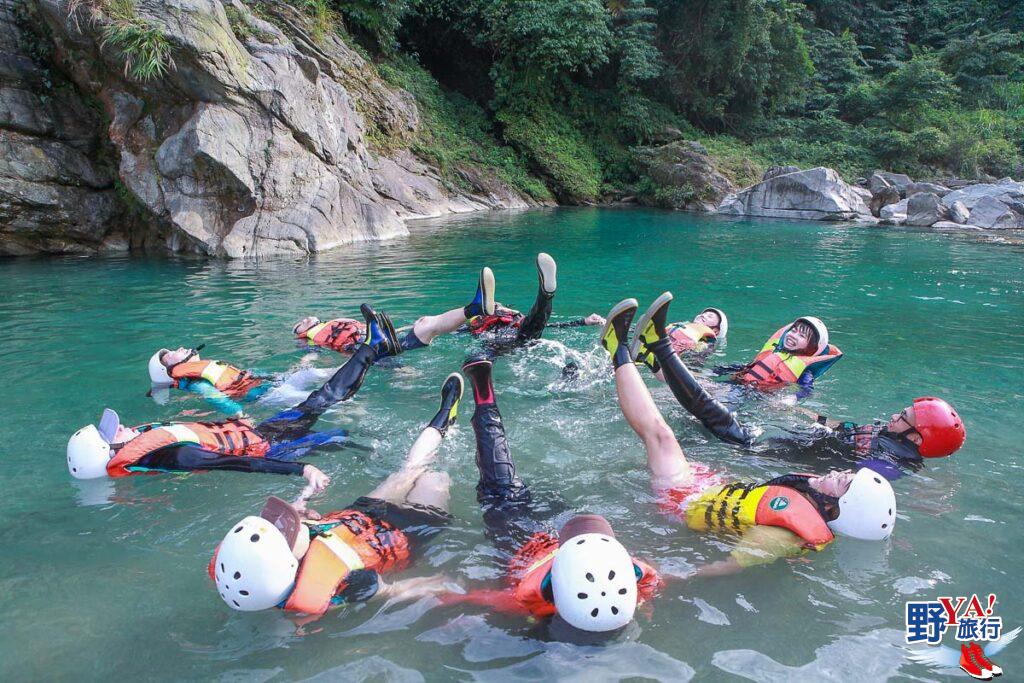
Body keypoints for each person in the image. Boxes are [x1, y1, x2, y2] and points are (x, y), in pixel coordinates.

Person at [600, 296, 897, 577]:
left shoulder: (781, 537)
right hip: (708, 485)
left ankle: (620, 349)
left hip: (682, 500)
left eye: (842, 480)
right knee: (664, 428)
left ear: (841, 508)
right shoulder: (810, 502)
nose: (833, 473)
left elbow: (726, 566)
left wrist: (665, 576)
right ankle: (641, 351)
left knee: (659, 433)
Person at [210, 372, 463, 618]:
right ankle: (443, 429)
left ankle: (444, 418)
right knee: (436, 477)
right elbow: (395, 589)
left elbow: (309, 531)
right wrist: (438, 584)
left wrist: (303, 509)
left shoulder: (277, 556)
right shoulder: (343, 585)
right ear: (289, 565)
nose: (292, 523)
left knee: (408, 471)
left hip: (360, 514)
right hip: (406, 533)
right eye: (288, 531)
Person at [66, 306, 403, 490]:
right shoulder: (177, 456)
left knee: (319, 399)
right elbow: (239, 463)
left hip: (259, 432)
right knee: (339, 435)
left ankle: (372, 348)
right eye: (113, 432)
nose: (121, 425)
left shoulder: (151, 442)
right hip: (268, 448)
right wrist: (301, 471)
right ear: (110, 452)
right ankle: (386, 463)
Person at [630, 295, 966, 479]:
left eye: (904, 416)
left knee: (712, 412)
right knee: (707, 412)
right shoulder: (888, 439)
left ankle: (658, 347)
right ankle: (652, 355)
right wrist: (810, 416)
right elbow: (841, 428)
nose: (895, 414)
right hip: (777, 438)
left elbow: (855, 481)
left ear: (917, 438)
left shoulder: (890, 463)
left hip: (762, 451)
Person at [443, 358, 663, 634]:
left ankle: (484, 398)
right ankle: (563, 384)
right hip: (561, 523)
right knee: (547, 498)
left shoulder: (528, 596)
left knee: (501, 485)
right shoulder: (634, 573)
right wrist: (646, 604)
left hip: (518, 539)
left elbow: (477, 598)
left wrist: (448, 604)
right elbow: (653, 581)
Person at [293, 269, 497, 354]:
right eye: (301, 322)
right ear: (301, 332)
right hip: (371, 351)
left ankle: (475, 309)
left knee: (425, 323)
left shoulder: (333, 323)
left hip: (379, 339)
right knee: (427, 328)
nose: (306, 318)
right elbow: (308, 362)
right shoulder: (310, 341)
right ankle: (473, 311)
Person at [465, 254, 604, 348]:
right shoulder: (509, 317)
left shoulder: (481, 320)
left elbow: (454, 331)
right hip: (517, 336)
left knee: (533, 323)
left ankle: (546, 294)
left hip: (500, 344)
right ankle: (546, 294)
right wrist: (582, 322)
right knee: (536, 321)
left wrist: (584, 321)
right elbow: (548, 325)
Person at [712, 315, 843, 398]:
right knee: (711, 387)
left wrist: (791, 398)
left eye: (802, 336)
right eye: (793, 330)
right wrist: (716, 371)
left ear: (812, 349)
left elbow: (806, 390)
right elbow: (748, 368)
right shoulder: (773, 354)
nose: (793, 335)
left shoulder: (804, 371)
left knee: (722, 396)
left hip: (758, 397)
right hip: (739, 385)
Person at [147, 346, 272, 417]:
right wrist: (239, 413)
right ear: (170, 370)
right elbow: (215, 397)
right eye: (170, 355)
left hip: (265, 387)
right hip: (267, 394)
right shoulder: (196, 383)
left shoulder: (198, 378)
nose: (179, 348)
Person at [631, 306, 728, 376]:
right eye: (703, 314)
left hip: (667, 364)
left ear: (715, 331)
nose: (703, 315)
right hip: (653, 355)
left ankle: (648, 354)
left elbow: (695, 363)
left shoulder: (708, 341)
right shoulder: (682, 326)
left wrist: (692, 347)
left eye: (709, 316)